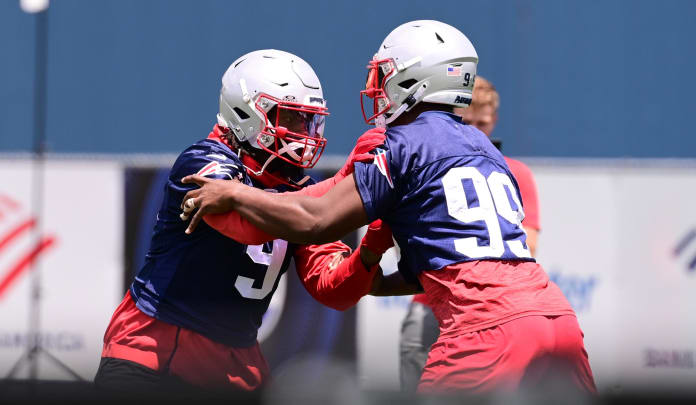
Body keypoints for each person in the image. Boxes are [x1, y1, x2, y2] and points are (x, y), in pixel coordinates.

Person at [180, 21, 596, 394]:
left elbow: (316, 220)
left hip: (483, 328)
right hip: (555, 319)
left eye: (386, 74)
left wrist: (235, 194)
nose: (378, 85)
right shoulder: (483, 147)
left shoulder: (397, 142)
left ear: (415, 79)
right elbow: (459, 258)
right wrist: (375, 277)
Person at [93, 49, 393, 395]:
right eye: (291, 119)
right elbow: (247, 224)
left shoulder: (300, 192)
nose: (302, 132)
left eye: (308, 121)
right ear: (247, 113)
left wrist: (372, 244)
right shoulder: (203, 162)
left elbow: (334, 290)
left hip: (235, 364)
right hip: (155, 351)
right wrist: (345, 180)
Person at [398, 76, 542, 392]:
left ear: (495, 121)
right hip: (430, 304)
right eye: (468, 121)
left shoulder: (516, 172)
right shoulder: (429, 162)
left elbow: (527, 245)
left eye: (484, 122)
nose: (476, 130)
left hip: (487, 309)